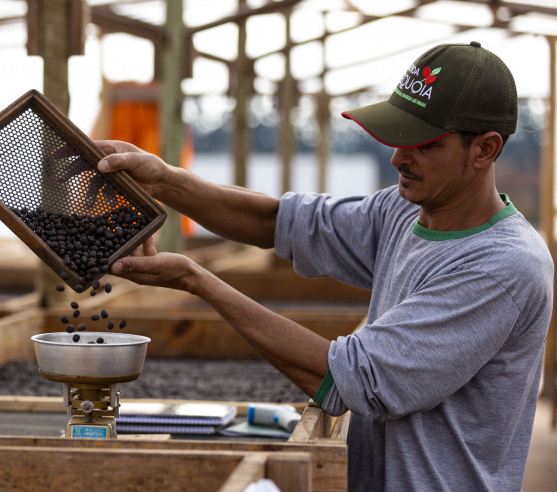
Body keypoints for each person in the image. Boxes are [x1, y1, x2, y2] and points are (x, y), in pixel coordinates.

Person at [93, 42, 553, 491]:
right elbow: (279, 222)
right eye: (397, 139)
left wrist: (197, 279)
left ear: (485, 150)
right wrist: (167, 181)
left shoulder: (501, 265)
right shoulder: (404, 210)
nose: (398, 158)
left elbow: (351, 382)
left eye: (424, 144)